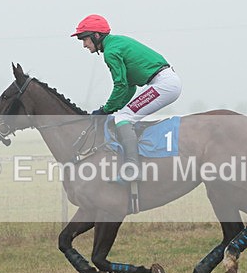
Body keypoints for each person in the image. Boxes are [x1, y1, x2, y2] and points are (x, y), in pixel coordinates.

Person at [71, 14, 182, 181]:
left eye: (84, 39)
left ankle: (133, 169)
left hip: (163, 84)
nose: (84, 45)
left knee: (123, 117)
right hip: (164, 81)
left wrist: (105, 110)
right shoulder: (116, 43)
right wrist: (111, 109)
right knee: (121, 115)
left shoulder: (111, 52)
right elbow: (129, 87)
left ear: (96, 36)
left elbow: (121, 85)